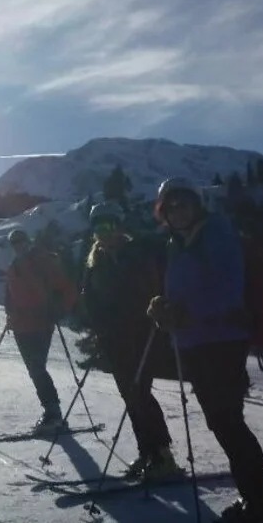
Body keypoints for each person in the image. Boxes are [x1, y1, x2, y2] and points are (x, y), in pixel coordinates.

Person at [147, 177, 263, 523]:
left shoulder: (216, 235)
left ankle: (262, 504)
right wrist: (164, 306)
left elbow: (227, 290)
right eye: (170, 206)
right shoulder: (179, 243)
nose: (177, 211)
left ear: (198, 205)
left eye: (184, 203)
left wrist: (182, 313)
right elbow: (188, 291)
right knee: (224, 423)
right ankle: (257, 499)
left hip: (221, 342)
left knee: (227, 422)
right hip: (197, 342)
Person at [81, 201, 181, 480]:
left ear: (119, 226)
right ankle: (147, 453)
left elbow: (148, 293)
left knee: (140, 394)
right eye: (98, 227)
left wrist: (133, 317)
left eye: (109, 226)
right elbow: (88, 297)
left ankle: (162, 455)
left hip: (141, 336)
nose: (104, 232)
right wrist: (100, 323)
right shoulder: (96, 261)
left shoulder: (135, 255)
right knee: (129, 395)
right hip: (114, 339)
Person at [3, 228, 77, 431]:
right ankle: (51, 411)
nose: (18, 246)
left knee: (37, 368)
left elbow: (67, 288)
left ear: (28, 241)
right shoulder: (13, 266)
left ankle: (53, 413)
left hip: (40, 324)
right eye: (15, 243)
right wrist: (9, 315)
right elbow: (10, 295)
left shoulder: (41, 262)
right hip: (20, 326)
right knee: (34, 370)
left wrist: (59, 310)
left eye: (21, 241)